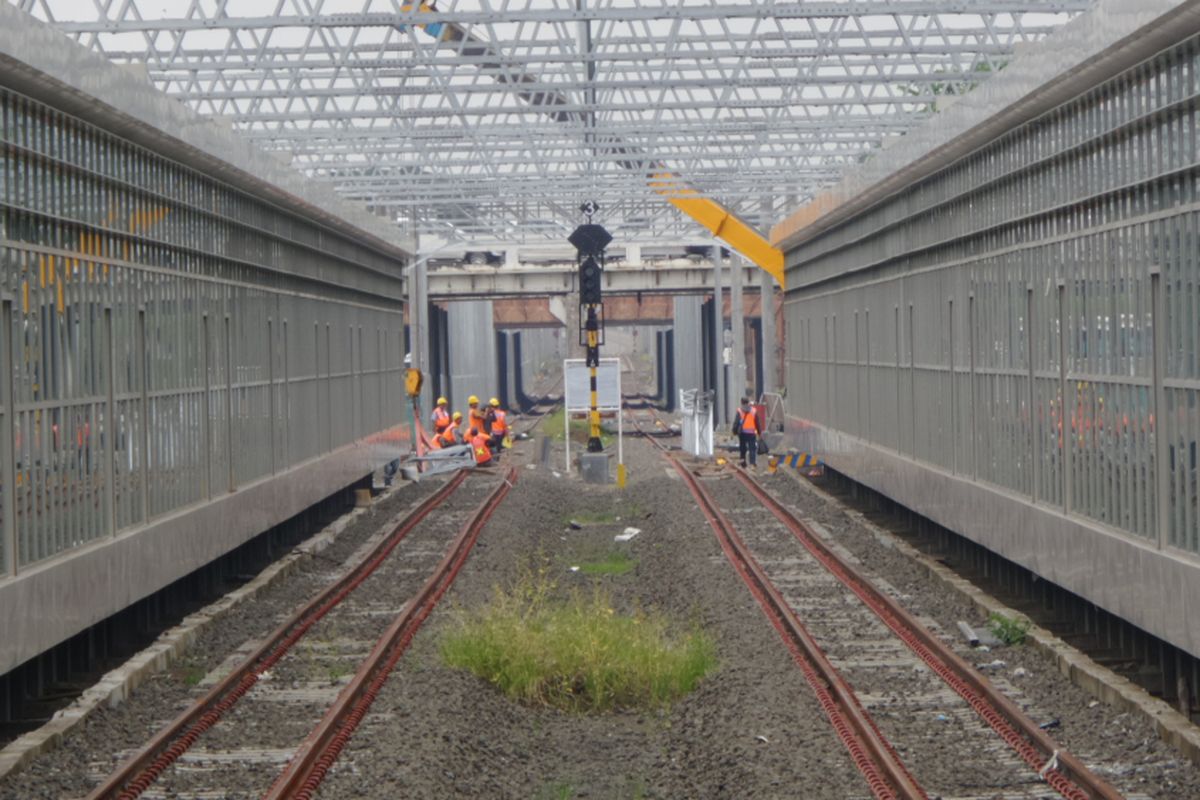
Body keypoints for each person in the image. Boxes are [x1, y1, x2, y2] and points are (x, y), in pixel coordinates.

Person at [733, 396, 762, 470]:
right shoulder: (753, 411)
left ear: (741, 402)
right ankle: (752, 464)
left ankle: (743, 464)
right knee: (752, 448)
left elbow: (736, 422)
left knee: (743, 448)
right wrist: (759, 432)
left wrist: (734, 431)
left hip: (742, 433)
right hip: (751, 433)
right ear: (748, 402)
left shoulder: (739, 411)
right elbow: (757, 423)